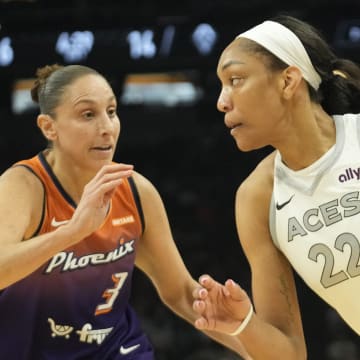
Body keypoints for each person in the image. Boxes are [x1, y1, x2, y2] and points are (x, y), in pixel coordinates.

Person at [0, 64, 250, 359]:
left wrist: (252, 346)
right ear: (48, 127)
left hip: (118, 350)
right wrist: (72, 231)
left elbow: (182, 293)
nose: (106, 127)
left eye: (111, 111)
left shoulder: (135, 191)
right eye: (88, 114)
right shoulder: (23, 186)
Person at [192, 14, 360, 359]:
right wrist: (243, 324)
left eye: (235, 79)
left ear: (288, 81)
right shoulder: (257, 197)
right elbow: (289, 353)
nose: (222, 102)